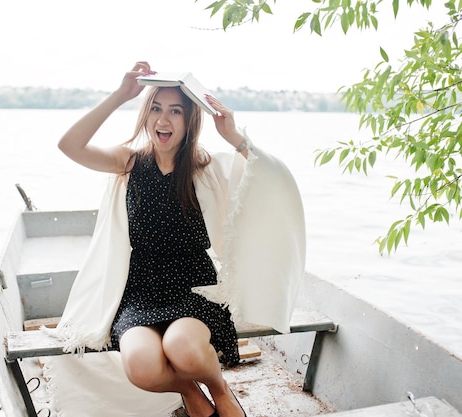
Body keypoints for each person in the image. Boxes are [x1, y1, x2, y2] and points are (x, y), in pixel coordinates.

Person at [54, 61, 306, 417]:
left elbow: (269, 178)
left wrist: (234, 137)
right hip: (139, 291)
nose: (163, 120)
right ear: (145, 114)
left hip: (194, 287)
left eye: (175, 111)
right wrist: (121, 95)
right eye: (156, 109)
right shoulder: (128, 163)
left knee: (183, 348)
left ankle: (220, 391)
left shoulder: (207, 167)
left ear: (190, 120)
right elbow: (69, 145)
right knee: (141, 365)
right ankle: (190, 390)